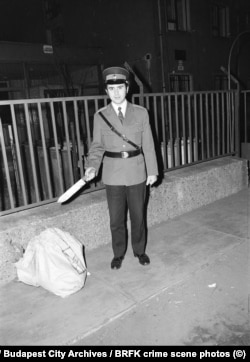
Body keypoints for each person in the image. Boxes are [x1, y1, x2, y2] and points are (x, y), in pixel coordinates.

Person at [84, 66, 158, 270]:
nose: (116, 92)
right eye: (112, 89)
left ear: (127, 88)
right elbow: (97, 146)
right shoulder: (100, 116)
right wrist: (92, 167)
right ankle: (118, 253)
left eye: (120, 87)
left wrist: (152, 171)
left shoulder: (141, 113)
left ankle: (139, 250)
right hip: (112, 174)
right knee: (116, 219)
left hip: (136, 171)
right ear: (106, 92)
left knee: (138, 216)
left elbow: (149, 144)